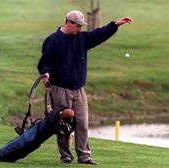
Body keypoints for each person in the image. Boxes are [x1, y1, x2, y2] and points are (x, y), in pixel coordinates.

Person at [37, 10, 132, 165]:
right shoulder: (53, 40)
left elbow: (98, 34)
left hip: (79, 89)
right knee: (63, 124)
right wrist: (46, 73)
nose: (80, 29)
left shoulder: (81, 38)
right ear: (69, 22)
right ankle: (66, 156)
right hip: (60, 88)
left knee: (82, 123)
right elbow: (44, 62)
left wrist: (115, 25)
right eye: (78, 26)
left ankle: (84, 157)